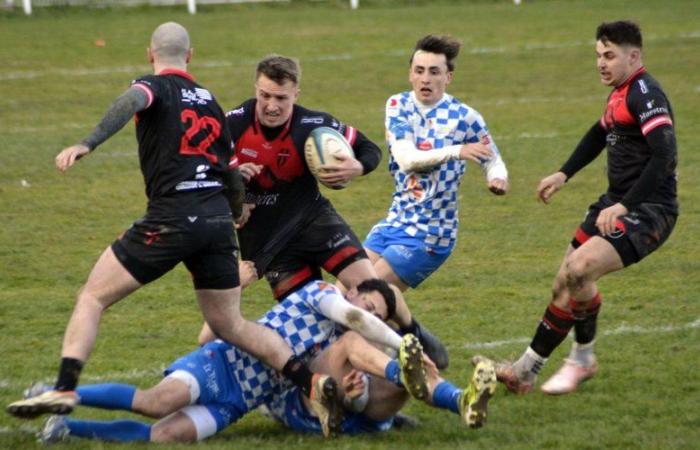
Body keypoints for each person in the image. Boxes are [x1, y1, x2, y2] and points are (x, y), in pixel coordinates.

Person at [6, 23, 337, 429]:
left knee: (92, 297)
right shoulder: (212, 103)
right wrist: (235, 214)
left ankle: (63, 385)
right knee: (230, 324)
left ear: (150, 55)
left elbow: (132, 100)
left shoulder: (153, 87)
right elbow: (232, 176)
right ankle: (312, 382)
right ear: (190, 56)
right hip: (216, 222)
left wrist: (87, 143)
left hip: (172, 217)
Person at [33, 279, 495, 444]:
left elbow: (320, 381)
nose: (369, 318)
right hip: (223, 365)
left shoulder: (337, 347)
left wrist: (351, 398)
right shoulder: (322, 296)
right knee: (157, 402)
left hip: (243, 400)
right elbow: (355, 319)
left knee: (166, 434)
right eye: (369, 310)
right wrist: (400, 347)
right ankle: (59, 394)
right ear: (350, 292)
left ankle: (66, 429)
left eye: (379, 316)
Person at [476, 20, 678, 395]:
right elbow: (600, 132)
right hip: (615, 203)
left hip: (650, 210)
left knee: (580, 270)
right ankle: (525, 372)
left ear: (634, 56)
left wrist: (625, 204)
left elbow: (666, 155)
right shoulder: (620, 91)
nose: (601, 63)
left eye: (610, 56)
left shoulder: (645, 94)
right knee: (563, 282)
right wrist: (563, 173)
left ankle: (582, 359)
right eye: (598, 55)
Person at [224, 54, 448, 368]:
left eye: (281, 98)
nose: (271, 105)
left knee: (374, 291)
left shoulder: (312, 124)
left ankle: (411, 333)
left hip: (314, 222)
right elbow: (202, 175)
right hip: (269, 248)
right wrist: (235, 190)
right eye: (264, 96)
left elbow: (370, 149)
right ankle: (367, 389)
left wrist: (357, 167)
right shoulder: (232, 125)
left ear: (296, 94)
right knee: (317, 326)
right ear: (255, 89)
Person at [363, 35, 509, 348]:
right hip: (394, 223)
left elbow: (493, 157)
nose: (425, 78)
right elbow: (406, 159)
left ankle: (390, 363)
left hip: (432, 235)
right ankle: (413, 339)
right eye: (419, 70)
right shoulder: (397, 105)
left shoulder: (465, 117)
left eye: (433, 71)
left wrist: (497, 178)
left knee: (368, 299)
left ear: (448, 76)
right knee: (347, 288)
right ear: (410, 73)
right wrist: (456, 151)